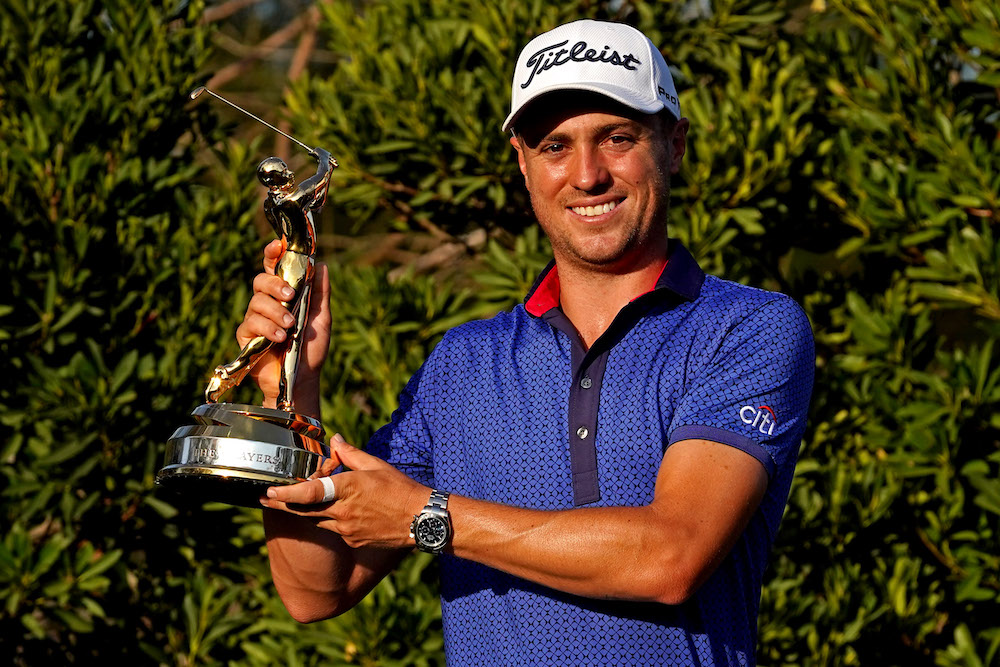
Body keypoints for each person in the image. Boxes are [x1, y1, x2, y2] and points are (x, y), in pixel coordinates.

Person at [242, 19, 814, 666]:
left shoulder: (746, 328)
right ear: (523, 161)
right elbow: (317, 586)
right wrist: (289, 391)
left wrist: (430, 516)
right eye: (554, 146)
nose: (588, 174)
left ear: (674, 143)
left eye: (617, 138)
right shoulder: (461, 364)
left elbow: (671, 554)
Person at [205, 149, 333, 408]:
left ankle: (286, 399)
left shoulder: (271, 204)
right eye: (284, 171)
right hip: (295, 263)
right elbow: (319, 179)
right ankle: (229, 372)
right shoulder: (291, 200)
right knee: (280, 331)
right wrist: (323, 158)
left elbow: (316, 199)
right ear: (277, 180)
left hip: (300, 262)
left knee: (295, 335)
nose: (290, 172)